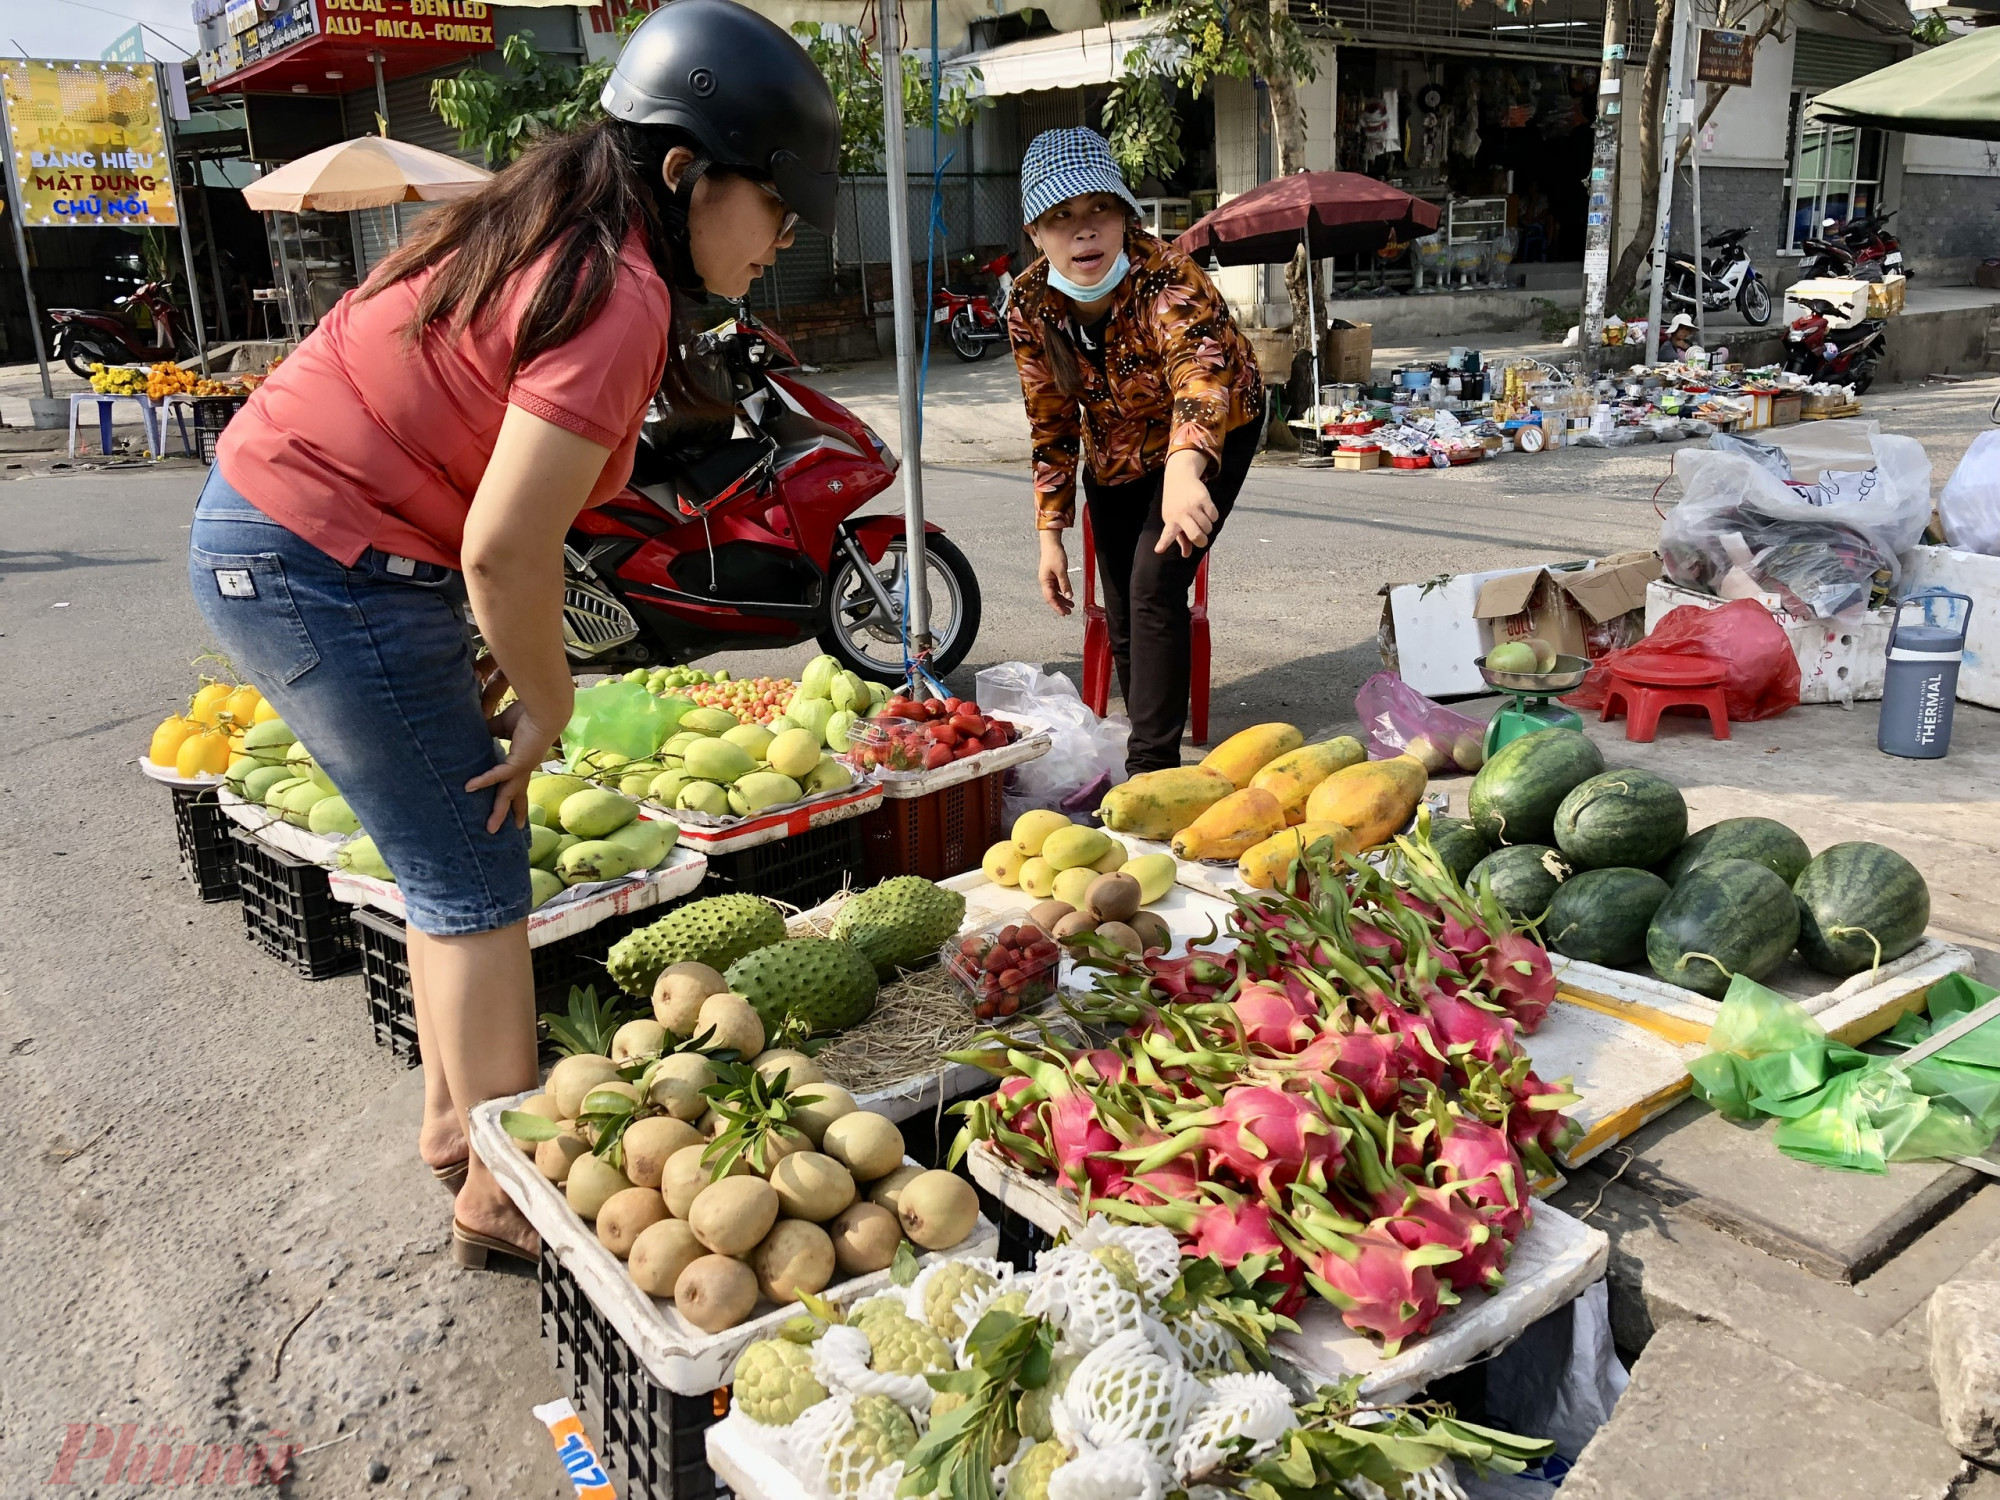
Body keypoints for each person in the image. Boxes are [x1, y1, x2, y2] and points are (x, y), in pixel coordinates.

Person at [185, 0, 838, 1269]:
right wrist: (545, 698)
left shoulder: (544, 225)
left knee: (448, 864)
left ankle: (456, 1134)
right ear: (684, 172)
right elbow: (503, 545)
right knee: (477, 878)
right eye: (776, 199)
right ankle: (498, 1198)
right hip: (323, 561)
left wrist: (489, 641)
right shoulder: (619, 291)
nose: (785, 235)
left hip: (286, 538)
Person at [1008, 128, 1265, 772]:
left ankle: (1151, 769)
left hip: (1214, 428)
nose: (1084, 231)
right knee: (1121, 598)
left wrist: (1186, 469)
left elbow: (1199, 374)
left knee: (1156, 583)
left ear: (1125, 212)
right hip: (1116, 445)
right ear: (1036, 234)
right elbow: (1050, 419)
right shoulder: (1029, 304)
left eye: (1098, 209)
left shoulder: (1170, 278)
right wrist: (1050, 534)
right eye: (1060, 217)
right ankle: (1143, 736)